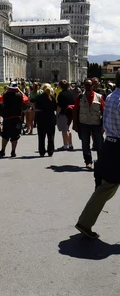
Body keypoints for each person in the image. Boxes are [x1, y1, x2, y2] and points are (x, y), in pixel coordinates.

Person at [75, 70, 120, 238]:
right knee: (106, 187)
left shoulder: (110, 97)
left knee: (106, 187)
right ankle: (84, 222)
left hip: (110, 144)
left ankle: (85, 222)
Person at [73, 79, 105, 170]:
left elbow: (104, 111)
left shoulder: (99, 97)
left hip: (96, 123)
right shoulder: (80, 97)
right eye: (86, 85)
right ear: (84, 86)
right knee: (85, 144)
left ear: (93, 86)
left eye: (90, 85)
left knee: (99, 144)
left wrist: (103, 126)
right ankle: (88, 162)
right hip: (84, 123)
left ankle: (101, 162)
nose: (88, 87)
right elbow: (75, 110)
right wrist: (75, 123)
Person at [0, 82, 28, 158]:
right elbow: (26, 99)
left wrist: (6, 90)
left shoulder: (5, 95)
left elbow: (0, 99)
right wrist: (20, 90)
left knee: (5, 135)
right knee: (15, 136)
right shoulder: (19, 95)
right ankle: (13, 151)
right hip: (17, 118)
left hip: (7, 118)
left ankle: (3, 150)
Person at [34, 84, 57, 156]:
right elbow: (55, 108)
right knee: (51, 136)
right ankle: (50, 151)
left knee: (41, 136)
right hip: (50, 118)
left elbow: (34, 105)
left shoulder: (39, 97)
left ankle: (42, 151)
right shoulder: (52, 97)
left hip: (41, 118)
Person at [56, 80, 75, 151]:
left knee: (64, 130)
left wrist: (57, 115)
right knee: (68, 129)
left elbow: (59, 106)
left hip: (63, 113)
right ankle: (70, 144)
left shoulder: (61, 94)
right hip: (70, 113)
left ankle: (65, 145)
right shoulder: (70, 93)